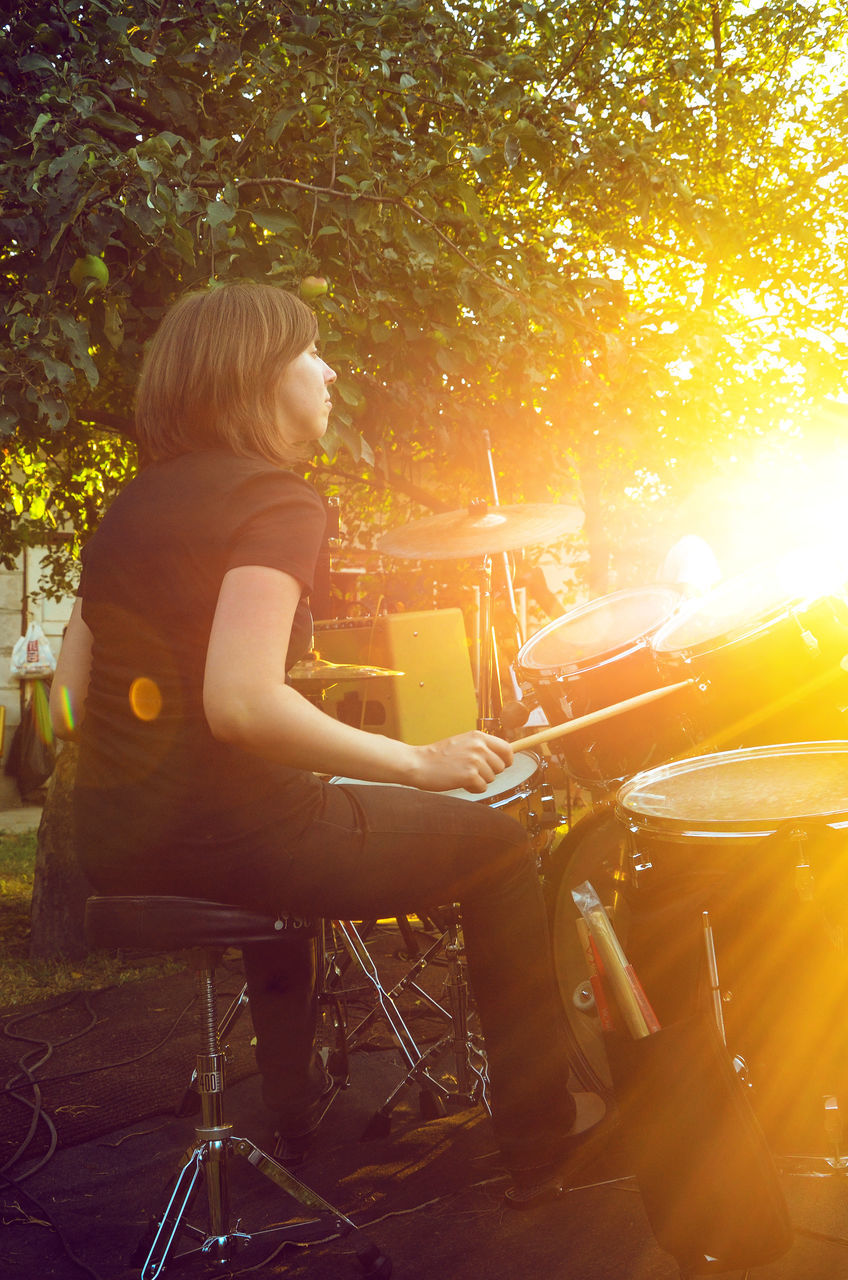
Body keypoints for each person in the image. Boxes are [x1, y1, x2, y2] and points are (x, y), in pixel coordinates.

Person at [50, 281, 600, 1206]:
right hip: (234, 830)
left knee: (294, 852)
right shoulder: (278, 502)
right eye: (311, 353)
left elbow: (68, 699)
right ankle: (543, 1140)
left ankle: (297, 1113)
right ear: (260, 375)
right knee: (502, 849)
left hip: (113, 835)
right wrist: (418, 764)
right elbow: (239, 702)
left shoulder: (127, 509)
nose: (330, 369)